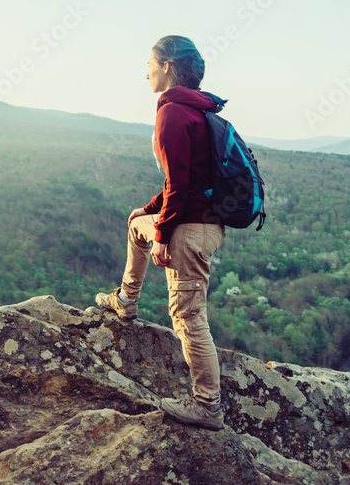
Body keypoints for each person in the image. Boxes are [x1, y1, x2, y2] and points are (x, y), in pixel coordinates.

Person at [95, 35, 227, 431]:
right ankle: (126, 300)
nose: (146, 72)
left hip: (190, 230)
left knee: (187, 317)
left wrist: (164, 235)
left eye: (150, 64)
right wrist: (150, 213)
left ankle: (208, 406)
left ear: (167, 67)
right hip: (206, 224)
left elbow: (181, 184)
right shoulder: (201, 110)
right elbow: (181, 180)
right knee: (137, 225)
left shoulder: (173, 113)